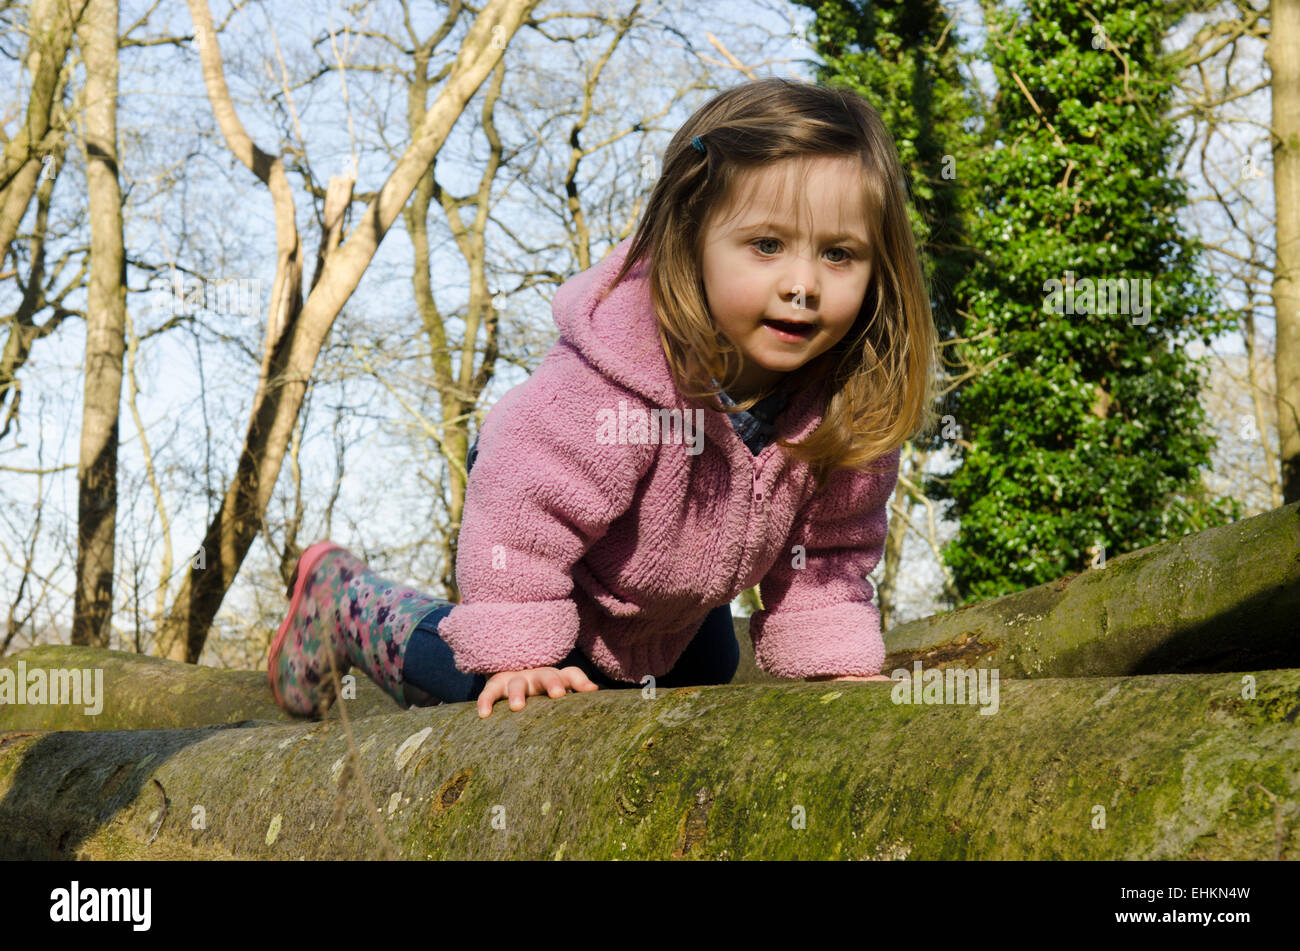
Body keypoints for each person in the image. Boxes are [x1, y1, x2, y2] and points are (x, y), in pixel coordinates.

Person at [267, 76, 938, 720]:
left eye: (840, 254)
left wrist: (830, 660)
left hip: (672, 596)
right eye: (766, 245)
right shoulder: (623, 373)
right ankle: (345, 603)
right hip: (553, 557)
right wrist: (520, 649)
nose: (803, 284)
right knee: (487, 680)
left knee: (702, 682)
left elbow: (828, 552)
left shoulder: (847, 401)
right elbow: (521, 497)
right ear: (692, 238)